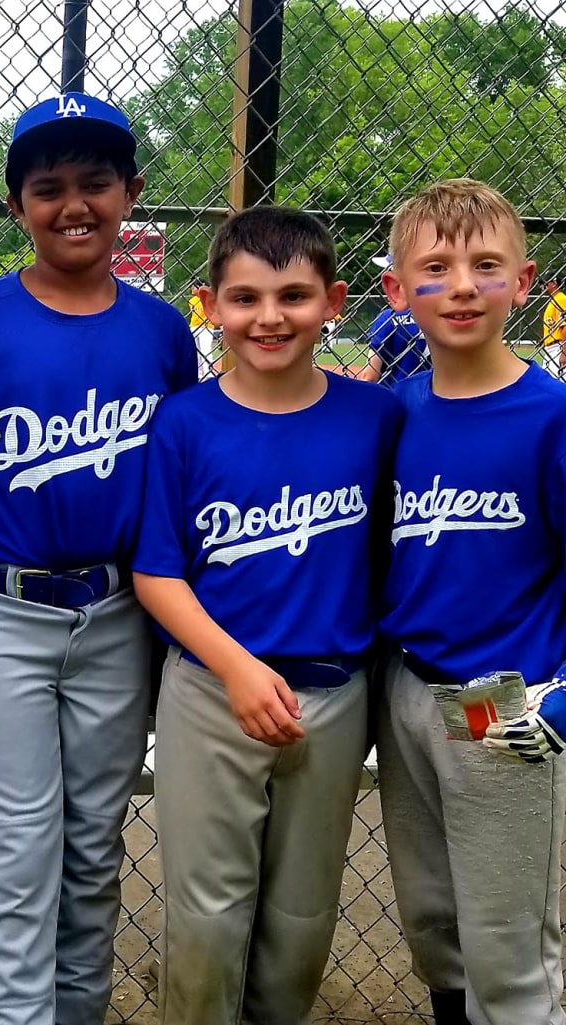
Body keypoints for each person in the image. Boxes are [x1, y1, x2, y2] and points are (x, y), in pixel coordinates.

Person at [0, 92, 196, 1025]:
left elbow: (179, 488)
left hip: (118, 616)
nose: (75, 204)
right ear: (18, 205)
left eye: (95, 182)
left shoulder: (161, 332)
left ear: (130, 192)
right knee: (20, 852)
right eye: (49, 186)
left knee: (94, 848)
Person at [131, 207, 399, 1025]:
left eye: (293, 295)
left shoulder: (377, 419)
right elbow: (157, 573)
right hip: (213, 689)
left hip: (334, 691)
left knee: (302, 918)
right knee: (207, 920)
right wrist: (237, 666)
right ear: (209, 304)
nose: (270, 317)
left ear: (335, 301)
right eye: (245, 298)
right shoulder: (184, 420)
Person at [376, 178, 566, 1025]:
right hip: (406, 689)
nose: (461, 286)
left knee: (507, 941)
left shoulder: (549, 414)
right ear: (396, 290)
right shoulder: (395, 413)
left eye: (487, 266)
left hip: (500, 698)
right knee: (434, 922)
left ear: (524, 283)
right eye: (437, 267)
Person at [356, 254, 429, 385]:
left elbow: (370, 375)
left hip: (394, 397)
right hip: (431, 396)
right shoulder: (437, 317)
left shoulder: (388, 318)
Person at [538, 277, 566, 380]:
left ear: (554, 283)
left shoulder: (561, 299)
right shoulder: (553, 300)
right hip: (551, 349)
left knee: (558, 383)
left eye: (544, 283)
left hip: (558, 348)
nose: (542, 287)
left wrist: (564, 353)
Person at [187, 279, 214, 379]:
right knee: (195, 351)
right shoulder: (192, 301)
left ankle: (209, 374)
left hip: (206, 327)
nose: (192, 289)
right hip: (194, 326)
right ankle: (197, 374)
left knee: (206, 350)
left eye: (194, 287)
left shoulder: (208, 299)